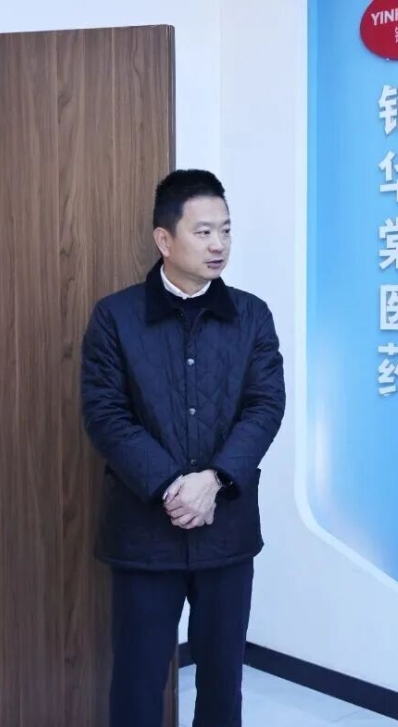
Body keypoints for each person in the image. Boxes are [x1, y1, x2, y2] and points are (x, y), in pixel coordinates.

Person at [80, 169, 286, 727]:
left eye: (226, 230)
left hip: (227, 529)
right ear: (164, 240)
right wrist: (174, 486)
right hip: (145, 533)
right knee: (138, 681)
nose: (219, 244)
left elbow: (265, 406)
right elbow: (106, 415)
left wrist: (213, 481)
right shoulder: (115, 317)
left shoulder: (252, 315)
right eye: (204, 232)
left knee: (222, 682)